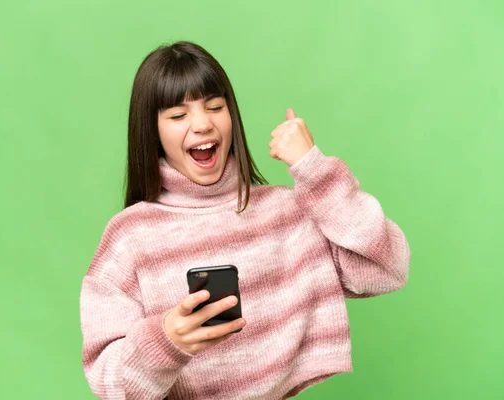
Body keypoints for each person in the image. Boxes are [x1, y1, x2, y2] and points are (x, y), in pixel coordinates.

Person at [79, 40, 411, 400]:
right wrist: (166, 342)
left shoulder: (287, 212)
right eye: (178, 115)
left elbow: (387, 268)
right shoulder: (130, 237)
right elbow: (109, 383)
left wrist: (315, 170)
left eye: (215, 107)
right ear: (152, 131)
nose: (203, 124)